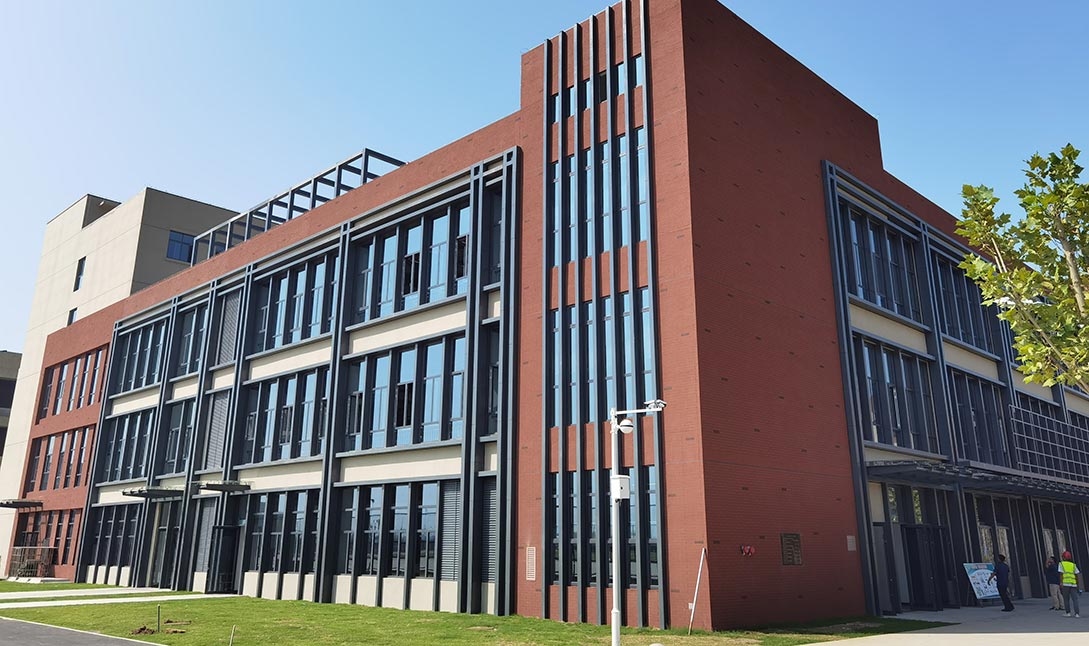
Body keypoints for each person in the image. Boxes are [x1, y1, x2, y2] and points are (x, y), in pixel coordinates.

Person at [1058, 551, 1081, 618]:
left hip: (1065, 584)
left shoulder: (1061, 564)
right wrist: (1077, 584)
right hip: (1073, 584)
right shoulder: (1073, 565)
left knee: (1066, 599)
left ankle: (1068, 613)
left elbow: (1061, 574)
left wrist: (1061, 582)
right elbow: (1076, 575)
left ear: (1063, 557)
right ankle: (1077, 614)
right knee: (1075, 599)